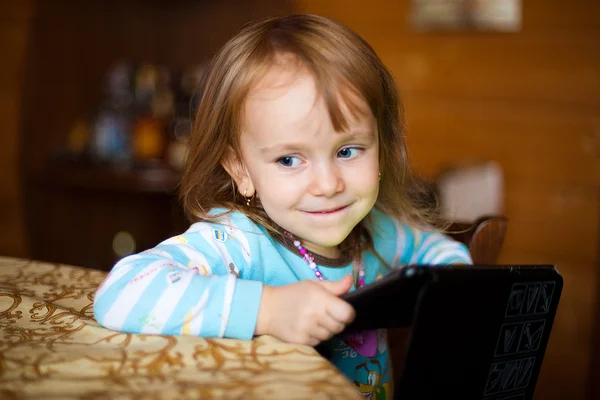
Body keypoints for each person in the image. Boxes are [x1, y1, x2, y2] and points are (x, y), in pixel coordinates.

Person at [94, 13, 472, 398]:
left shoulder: (377, 231)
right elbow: (122, 291)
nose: (328, 185)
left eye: (347, 150)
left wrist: (454, 276)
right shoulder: (239, 241)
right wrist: (268, 310)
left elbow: (435, 248)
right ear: (240, 168)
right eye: (290, 160)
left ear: (381, 148)